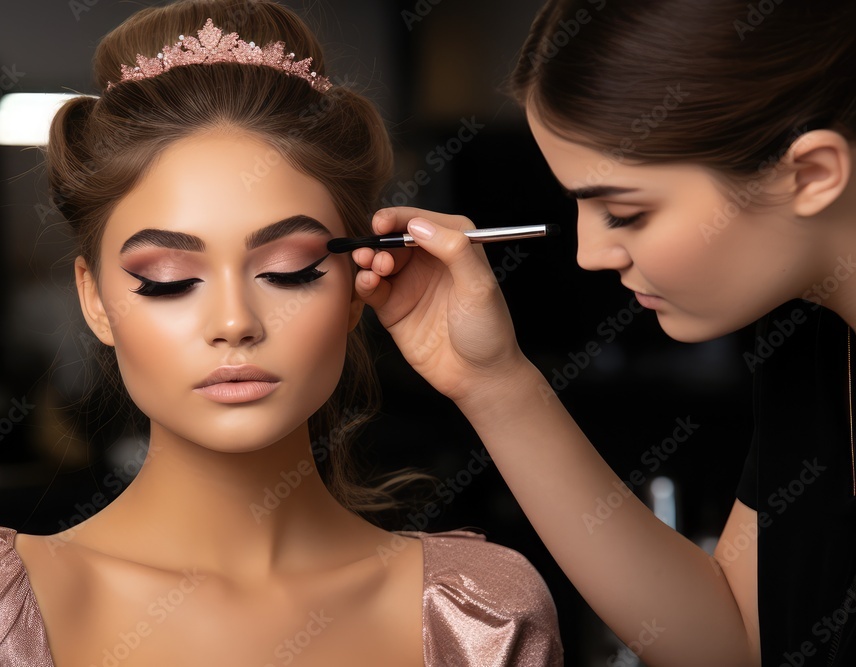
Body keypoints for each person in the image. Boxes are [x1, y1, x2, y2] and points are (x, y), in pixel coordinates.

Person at [0, 2, 564, 666]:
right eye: (168, 279)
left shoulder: (482, 612)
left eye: (290, 270)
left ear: (360, 284)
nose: (235, 322)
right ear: (94, 298)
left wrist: (499, 379)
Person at [345, 0, 856, 665]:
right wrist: (493, 383)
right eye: (578, 203)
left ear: (811, 173)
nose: (589, 252)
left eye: (624, 210)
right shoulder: (811, 340)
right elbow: (734, 642)